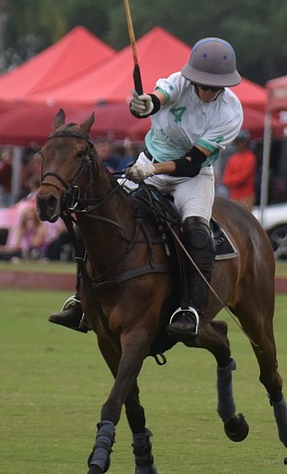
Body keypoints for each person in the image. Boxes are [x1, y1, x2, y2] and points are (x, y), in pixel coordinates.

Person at [48, 37, 244, 341]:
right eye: (202, 85)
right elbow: (159, 98)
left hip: (191, 178)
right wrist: (144, 104)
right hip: (147, 165)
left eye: (213, 87)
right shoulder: (179, 82)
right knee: (97, 218)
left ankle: (191, 309)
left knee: (196, 232)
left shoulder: (230, 112)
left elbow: (192, 163)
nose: (206, 92)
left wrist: (152, 170)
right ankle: (81, 300)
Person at [222, 130, 257, 210]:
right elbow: (225, 178)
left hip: (246, 196)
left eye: (241, 141)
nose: (239, 144)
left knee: (243, 220)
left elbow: (242, 177)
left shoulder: (250, 158)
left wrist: (230, 180)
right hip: (233, 196)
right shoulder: (233, 158)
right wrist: (230, 180)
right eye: (238, 142)